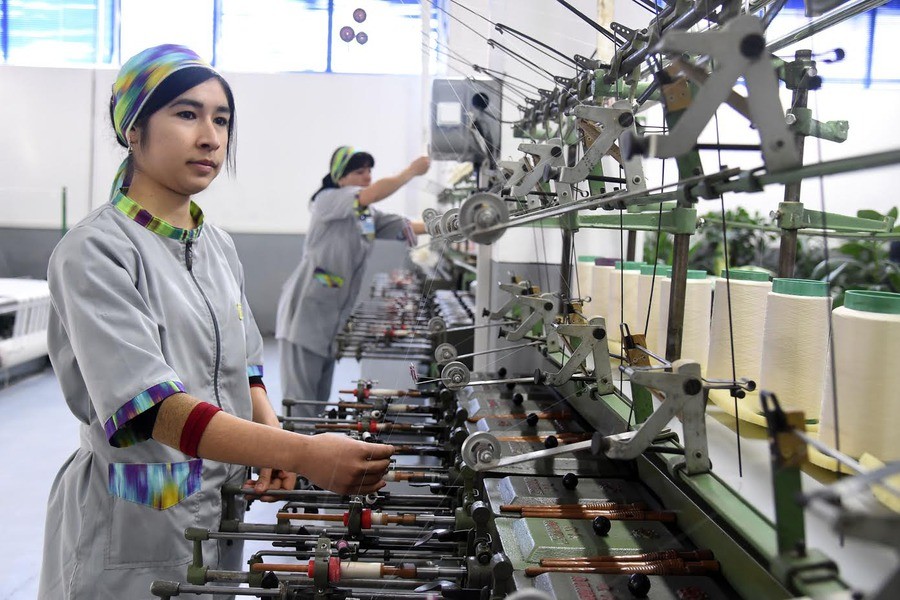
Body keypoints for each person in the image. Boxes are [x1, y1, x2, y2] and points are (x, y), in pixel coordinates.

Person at [39, 45, 394, 599]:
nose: (210, 137)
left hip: (217, 510)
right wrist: (300, 453)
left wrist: (270, 433)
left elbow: (245, 367)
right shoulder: (95, 251)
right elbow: (151, 407)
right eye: (186, 114)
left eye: (221, 119)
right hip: (134, 519)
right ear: (133, 131)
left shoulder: (217, 246)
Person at [275, 148, 430, 415]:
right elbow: (370, 194)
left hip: (330, 319)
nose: (367, 177)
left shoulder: (366, 214)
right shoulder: (329, 199)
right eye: (359, 172)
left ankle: (310, 449)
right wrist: (411, 172)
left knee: (317, 402)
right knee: (299, 402)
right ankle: (292, 453)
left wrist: (457, 222)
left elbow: (406, 227)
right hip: (305, 315)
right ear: (340, 177)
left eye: (370, 171)